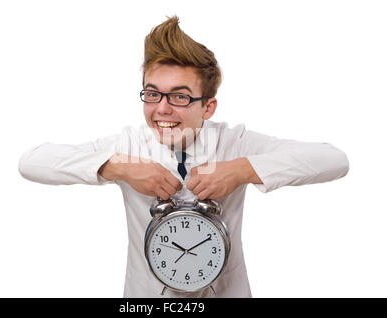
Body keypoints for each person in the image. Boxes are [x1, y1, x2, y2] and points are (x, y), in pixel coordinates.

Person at [18, 16, 349, 298]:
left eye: (179, 96)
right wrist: (117, 167)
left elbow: (334, 159)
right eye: (152, 93)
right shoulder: (130, 146)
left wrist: (242, 169)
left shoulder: (235, 142)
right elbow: (32, 162)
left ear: (208, 106)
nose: (161, 108)